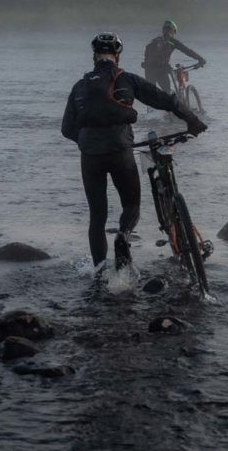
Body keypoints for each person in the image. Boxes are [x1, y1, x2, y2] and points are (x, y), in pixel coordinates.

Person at [61, 32, 207, 273]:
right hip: (120, 150)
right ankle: (123, 236)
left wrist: (89, 142)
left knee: (97, 216)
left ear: (94, 56)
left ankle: (99, 273)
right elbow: (166, 100)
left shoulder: (79, 86)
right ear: (117, 56)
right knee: (131, 206)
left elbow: (67, 128)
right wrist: (193, 121)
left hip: (90, 156)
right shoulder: (126, 79)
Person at [141, 19, 206, 93]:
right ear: (173, 31)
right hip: (161, 70)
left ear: (163, 30)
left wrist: (146, 63)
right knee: (167, 93)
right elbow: (187, 51)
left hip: (148, 70)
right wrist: (200, 59)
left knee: (151, 94)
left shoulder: (155, 40)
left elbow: (147, 51)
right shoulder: (172, 41)